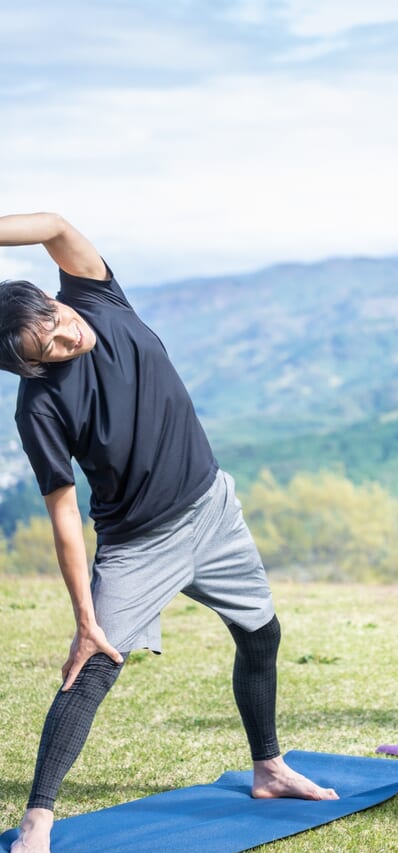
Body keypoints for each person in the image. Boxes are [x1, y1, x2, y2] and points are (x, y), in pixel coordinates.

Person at [0, 212, 339, 853]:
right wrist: (84, 617)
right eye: (50, 350)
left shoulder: (95, 296)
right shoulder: (39, 406)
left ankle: (268, 768)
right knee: (92, 665)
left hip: (213, 506)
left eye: (57, 324)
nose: (68, 339)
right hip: (138, 544)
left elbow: (52, 224)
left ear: (52, 298)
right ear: (29, 369)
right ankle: (38, 819)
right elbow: (64, 515)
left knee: (261, 634)